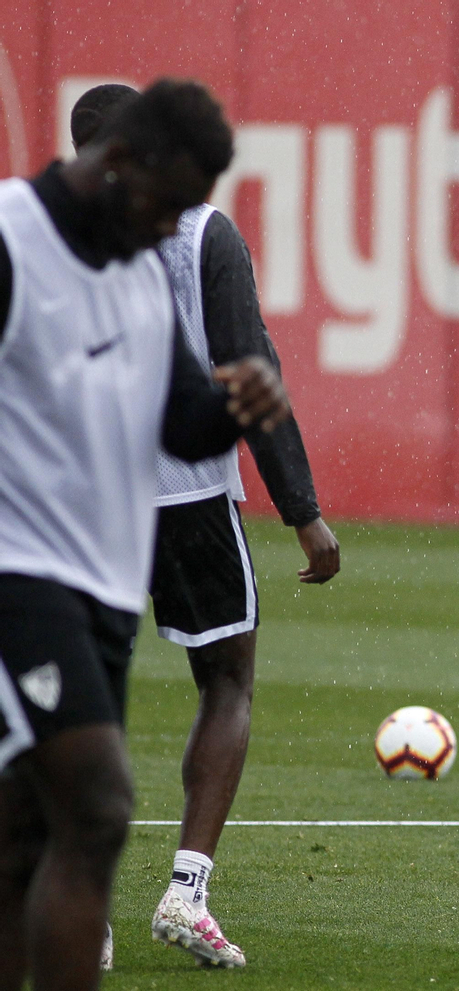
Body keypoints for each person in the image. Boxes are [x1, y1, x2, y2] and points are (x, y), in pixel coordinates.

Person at [0, 79, 291, 991]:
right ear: (115, 164)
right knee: (97, 805)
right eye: (170, 205)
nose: (176, 231)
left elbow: (178, 423)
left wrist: (238, 408)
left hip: (105, 581)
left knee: (26, 838)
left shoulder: (134, 271)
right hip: (18, 574)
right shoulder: (12, 237)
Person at [68, 83, 340, 971]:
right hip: (185, 497)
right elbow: (248, 365)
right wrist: (303, 512)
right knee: (226, 681)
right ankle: (185, 890)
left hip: (77, 503)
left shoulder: (33, 233)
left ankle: (82, 904)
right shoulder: (201, 231)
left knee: (80, 703)